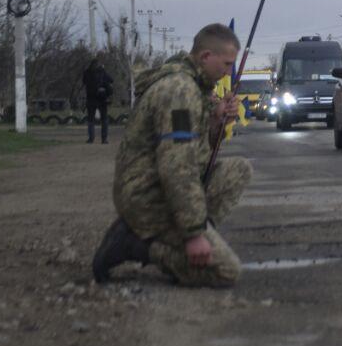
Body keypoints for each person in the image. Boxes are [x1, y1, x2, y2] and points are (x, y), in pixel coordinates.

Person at [92, 23, 252, 286]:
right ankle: (136, 245)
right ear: (205, 57)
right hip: (148, 196)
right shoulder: (180, 93)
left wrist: (216, 121)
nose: (226, 74)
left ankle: (183, 237)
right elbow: (177, 165)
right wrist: (192, 234)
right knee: (225, 272)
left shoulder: (196, 88)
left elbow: (199, 149)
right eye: (225, 65)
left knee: (238, 170)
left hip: (162, 188)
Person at [82, 57, 114, 144]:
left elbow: (84, 83)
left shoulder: (87, 72)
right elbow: (111, 80)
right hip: (102, 98)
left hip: (91, 98)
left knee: (90, 119)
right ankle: (104, 139)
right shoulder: (102, 72)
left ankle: (91, 139)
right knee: (104, 119)